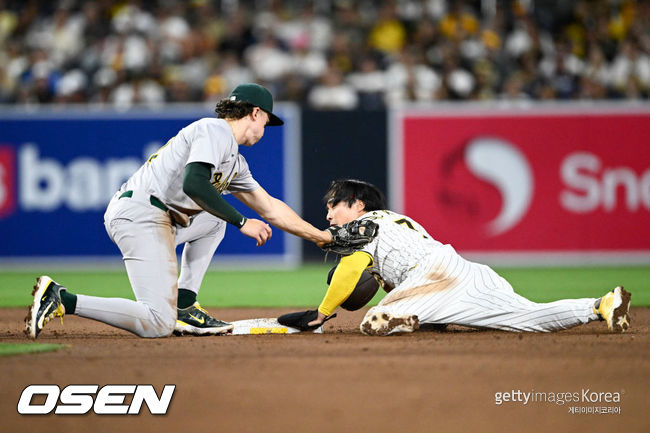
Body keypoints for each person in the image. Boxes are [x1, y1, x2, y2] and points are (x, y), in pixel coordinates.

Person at [26, 83, 332, 339]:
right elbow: (195, 184)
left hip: (159, 218)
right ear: (255, 112)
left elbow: (271, 209)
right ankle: (61, 298)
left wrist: (321, 237)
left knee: (214, 220)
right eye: (267, 120)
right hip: (140, 215)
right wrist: (241, 222)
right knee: (158, 323)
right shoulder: (215, 130)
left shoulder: (234, 161)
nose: (266, 127)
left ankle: (185, 304)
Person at [305, 179, 632, 336]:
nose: (329, 213)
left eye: (334, 205)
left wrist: (322, 314)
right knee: (528, 318)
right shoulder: (396, 222)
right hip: (464, 271)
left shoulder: (366, 223)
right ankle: (599, 305)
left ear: (358, 205)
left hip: (432, 274)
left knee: (371, 322)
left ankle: (396, 317)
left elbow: (350, 266)